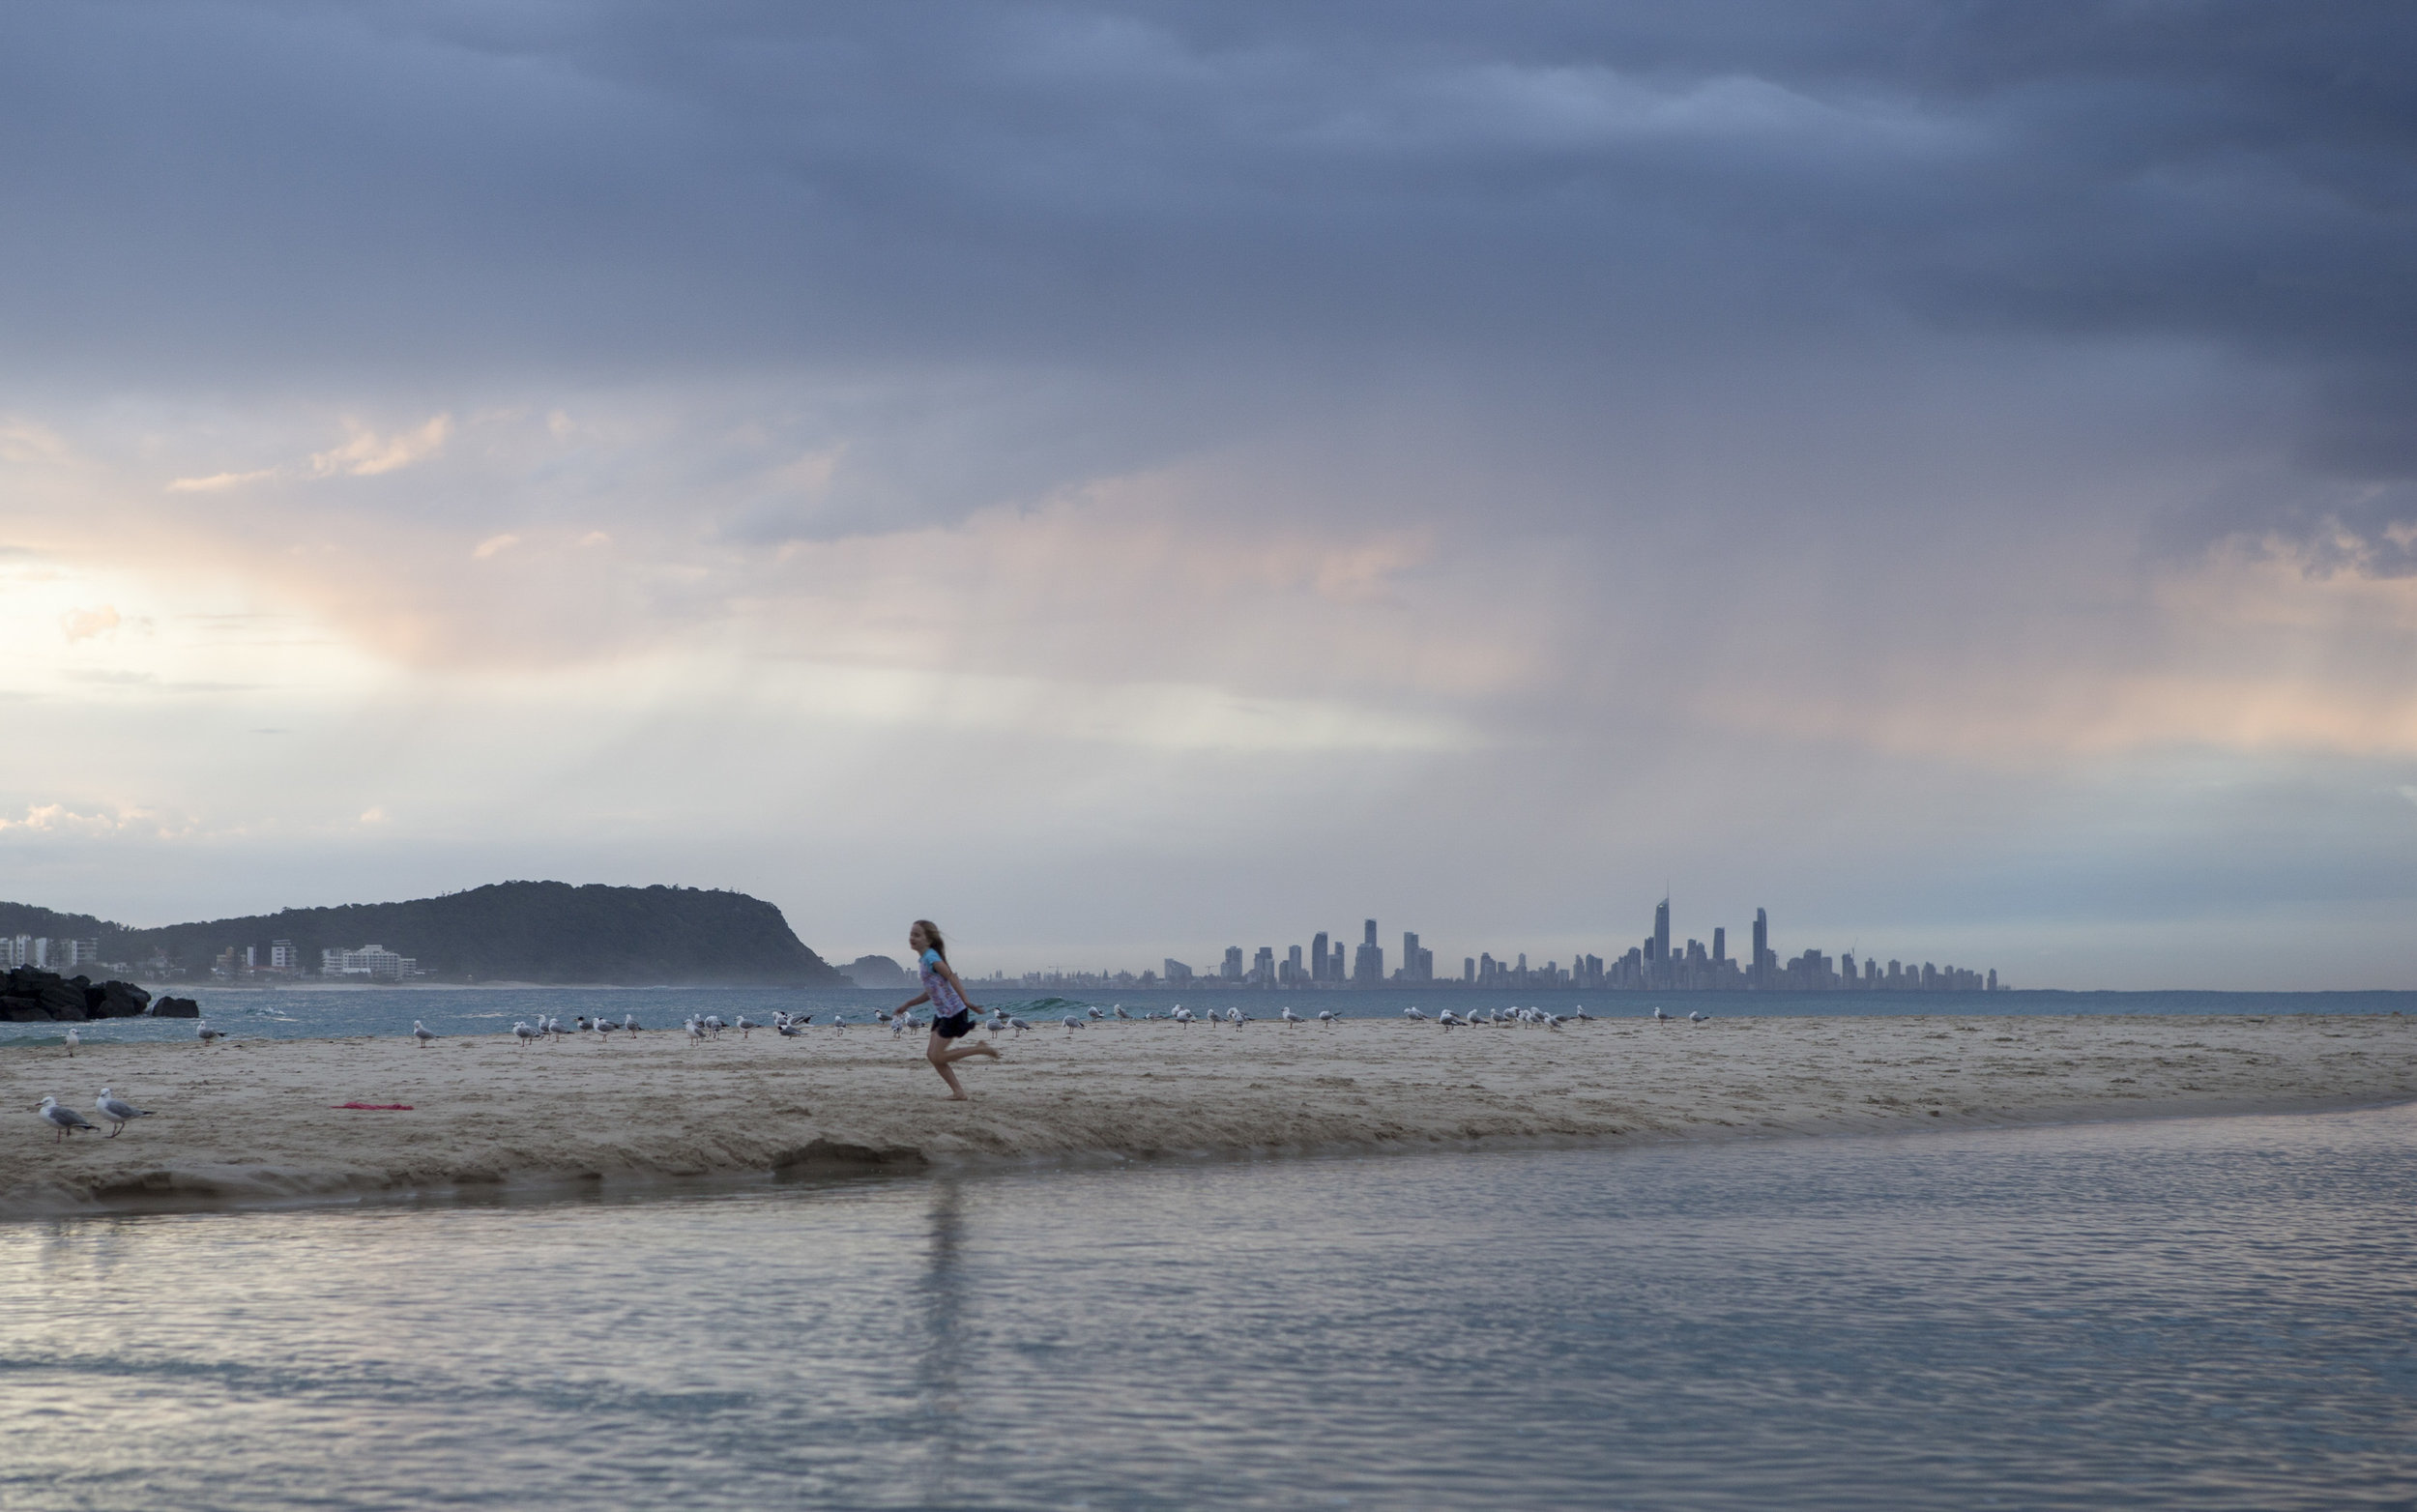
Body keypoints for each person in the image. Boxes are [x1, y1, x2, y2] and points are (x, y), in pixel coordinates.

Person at [899, 918, 999, 1099]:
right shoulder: (924, 960)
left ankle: (979, 1049)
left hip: (954, 1012)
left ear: (928, 940)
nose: (912, 938)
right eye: (911, 934)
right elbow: (931, 992)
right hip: (943, 1013)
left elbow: (952, 976)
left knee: (937, 1056)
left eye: (917, 935)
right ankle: (958, 1092)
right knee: (932, 1055)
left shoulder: (931, 958)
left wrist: (966, 1001)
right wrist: (908, 1004)